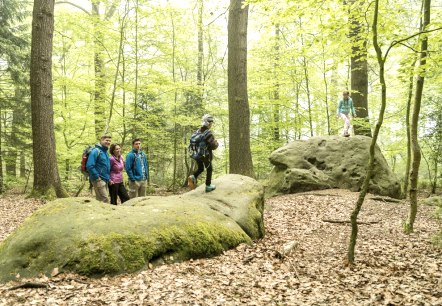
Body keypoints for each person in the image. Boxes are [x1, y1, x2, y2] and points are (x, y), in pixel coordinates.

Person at [188, 114, 219, 192]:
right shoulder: (208, 133)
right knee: (209, 169)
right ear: (208, 123)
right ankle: (208, 186)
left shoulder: (197, 132)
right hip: (205, 155)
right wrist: (216, 143)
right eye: (211, 123)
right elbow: (213, 146)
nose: (211, 124)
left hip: (197, 155)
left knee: (201, 168)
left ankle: (193, 176)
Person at [86, 134, 111, 203]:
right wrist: (97, 177)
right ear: (101, 140)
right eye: (106, 140)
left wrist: (108, 178)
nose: (108, 142)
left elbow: (105, 167)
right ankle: (106, 213)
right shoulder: (96, 151)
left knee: (101, 200)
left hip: (104, 179)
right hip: (98, 180)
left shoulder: (105, 152)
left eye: (109, 141)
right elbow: (90, 165)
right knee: (104, 200)